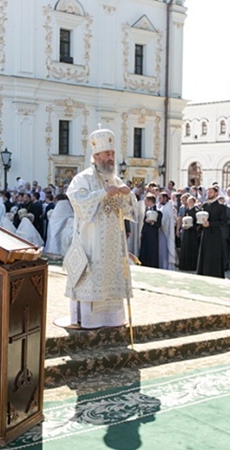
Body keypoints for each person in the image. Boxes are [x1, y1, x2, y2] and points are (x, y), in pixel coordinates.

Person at [64, 127, 137, 329]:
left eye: (112, 153)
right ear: (96, 156)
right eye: (107, 154)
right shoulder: (83, 178)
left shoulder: (115, 178)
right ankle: (87, 320)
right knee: (91, 278)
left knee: (111, 277)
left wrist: (127, 194)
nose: (111, 157)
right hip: (91, 241)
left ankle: (112, 319)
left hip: (113, 245)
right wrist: (103, 193)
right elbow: (77, 200)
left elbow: (129, 209)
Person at [196, 185, 227, 278]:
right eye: (208, 192)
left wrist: (211, 224)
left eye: (211, 192)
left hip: (215, 234)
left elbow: (223, 222)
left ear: (216, 193)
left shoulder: (221, 206)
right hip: (205, 233)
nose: (209, 194)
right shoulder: (205, 205)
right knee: (205, 253)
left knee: (214, 254)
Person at [138, 193, 161, 268]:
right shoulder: (146, 210)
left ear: (149, 201)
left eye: (146, 201)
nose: (145, 202)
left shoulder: (158, 212)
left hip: (152, 234)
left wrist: (152, 223)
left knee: (152, 249)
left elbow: (158, 225)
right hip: (146, 233)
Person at [178, 195, 200, 271]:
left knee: (192, 248)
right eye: (188, 202)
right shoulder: (187, 211)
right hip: (186, 231)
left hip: (192, 232)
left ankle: (192, 266)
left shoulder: (196, 211)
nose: (189, 203)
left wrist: (193, 226)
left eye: (191, 202)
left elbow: (198, 223)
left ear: (194, 202)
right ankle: (184, 265)